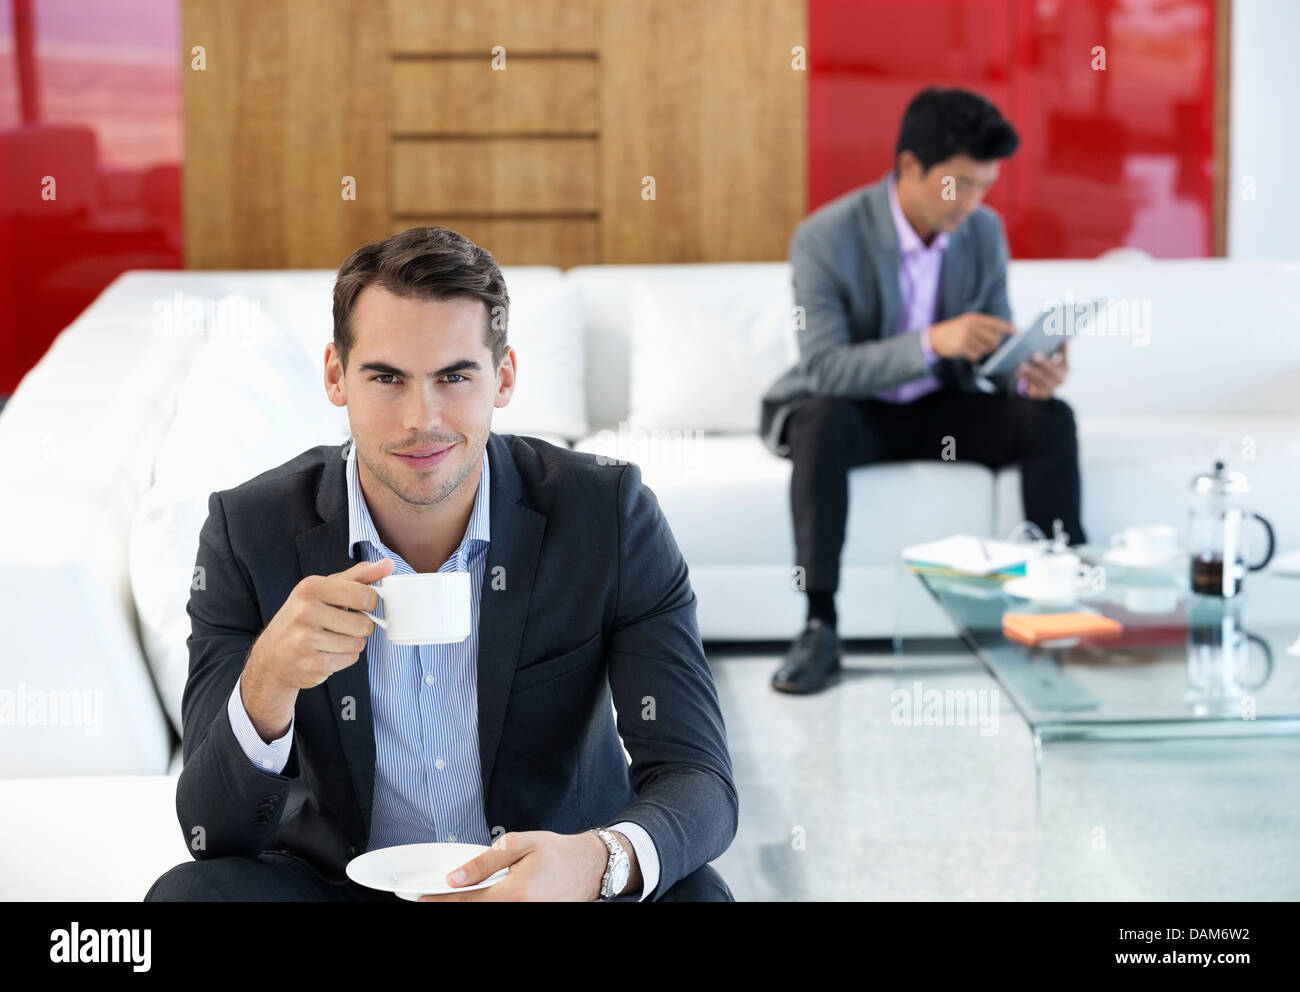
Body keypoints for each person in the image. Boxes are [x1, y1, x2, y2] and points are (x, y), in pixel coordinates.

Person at [146, 227, 736, 901]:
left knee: (699, 895)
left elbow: (698, 778)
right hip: (336, 887)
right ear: (336, 377)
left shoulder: (607, 513)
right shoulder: (249, 531)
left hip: (543, 886)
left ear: (504, 376)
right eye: (386, 378)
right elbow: (208, 833)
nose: (420, 419)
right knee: (187, 896)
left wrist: (597, 862)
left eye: (454, 377)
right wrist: (268, 684)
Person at [759, 87, 1086, 695]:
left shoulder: (983, 233)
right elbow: (825, 367)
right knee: (821, 423)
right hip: (855, 411)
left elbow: (989, 347)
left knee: (1050, 420)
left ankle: (1061, 606)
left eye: (984, 186)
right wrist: (934, 340)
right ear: (910, 166)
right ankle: (820, 624)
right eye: (958, 184)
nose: (971, 202)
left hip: (940, 409)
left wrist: (1024, 372)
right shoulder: (825, 238)